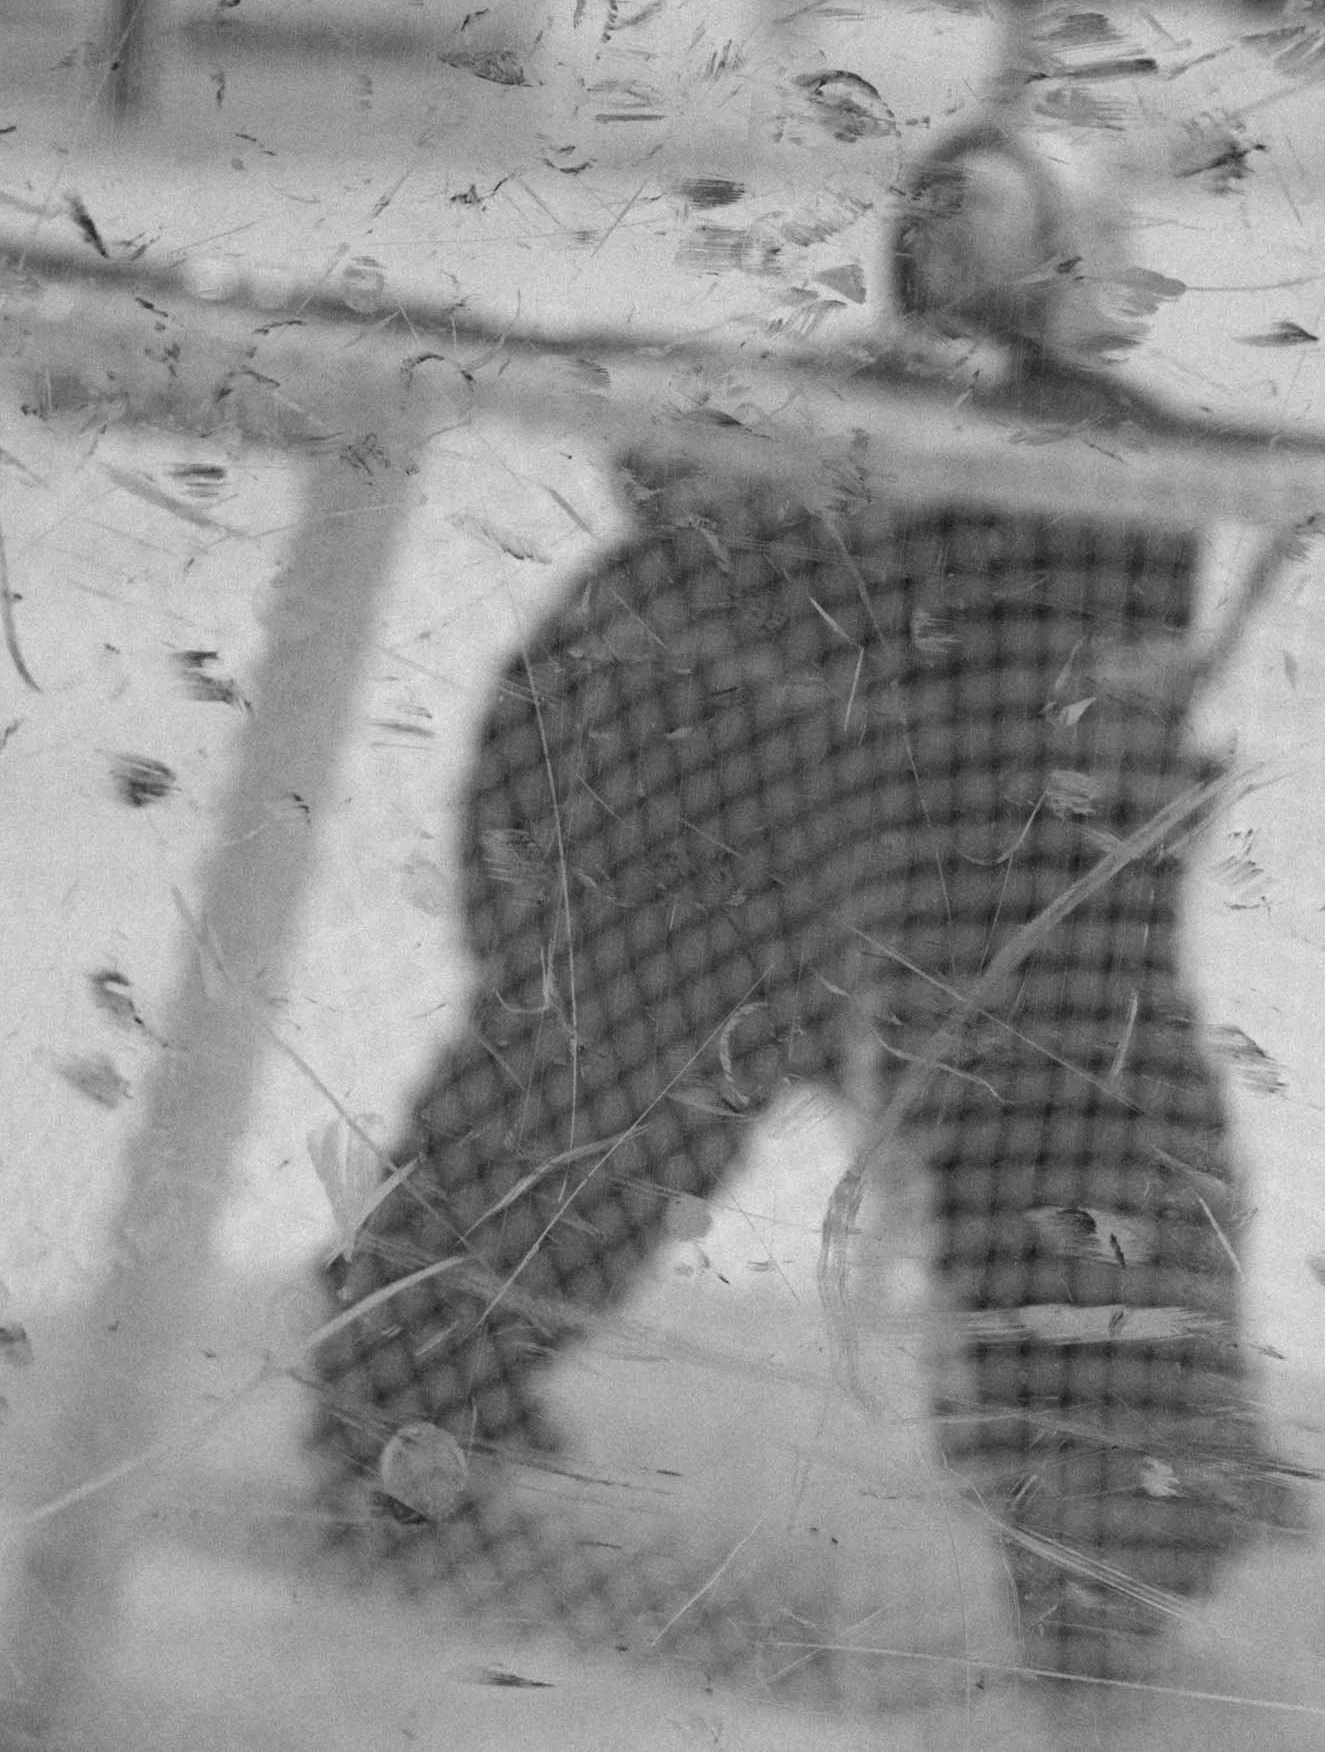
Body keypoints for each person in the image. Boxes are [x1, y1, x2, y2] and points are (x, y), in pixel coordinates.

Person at [308, 110, 1275, 1685]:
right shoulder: (861, 443)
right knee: (616, 1103)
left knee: (1062, 1132)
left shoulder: (1052, 464)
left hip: (873, 897)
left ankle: (407, 1393)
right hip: (744, 884)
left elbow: (1088, 747)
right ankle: (409, 1395)